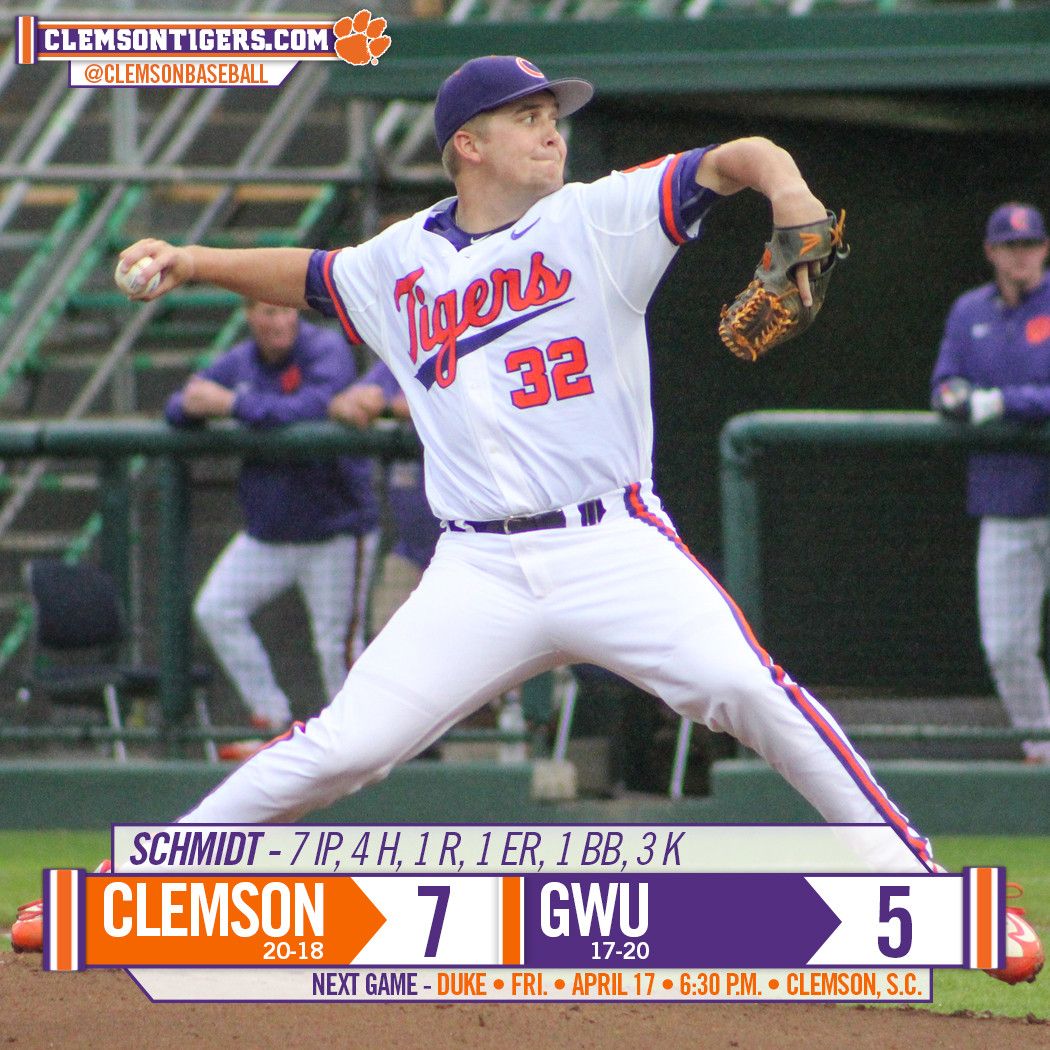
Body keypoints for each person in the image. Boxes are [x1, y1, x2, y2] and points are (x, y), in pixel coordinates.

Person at [14, 55, 1042, 982]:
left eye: (555, 114)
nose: (553, 129)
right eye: (531, 116)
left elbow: (737, 156)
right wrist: (194, 261)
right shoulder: (400, 260)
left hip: (611, 544)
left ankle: (934, 896)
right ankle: (129, 889)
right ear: (470, 145)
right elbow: (315, 277)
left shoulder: (600, 216)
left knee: (746, 688)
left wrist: (790, 187)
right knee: (342, 749)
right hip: (475, 574)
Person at [164, 299, 380, 749]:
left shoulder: (325, 348)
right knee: (216, 608)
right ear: (249, 316)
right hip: (270, 533)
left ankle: (359, 745)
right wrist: (198, 404)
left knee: (335, 648)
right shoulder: (242, 360)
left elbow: (311, 407)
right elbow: (178, 405)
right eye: (267, 312)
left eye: (285, 311)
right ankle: (272, 717)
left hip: (333, 530)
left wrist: (232, 404)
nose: (278, 321)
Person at [931, 202, 1050, 765]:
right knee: (1005, 645)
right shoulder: (968, 311)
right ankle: (1041, 745)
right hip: (1004, 499)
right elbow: (945, 384)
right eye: (1010, 246)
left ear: (1045, 249)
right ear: (991, 252)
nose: (1020, 256)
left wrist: (1005, 402)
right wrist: (957, 399)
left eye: (1029, 245)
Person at [328, 359, 441, 635]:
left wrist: (391, 407)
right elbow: (339, 404)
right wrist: (355, 405)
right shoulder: (401, 354)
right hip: (413, 551)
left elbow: (448, 405)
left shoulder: (468, 347)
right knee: (383, 642)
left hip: (474, 549)